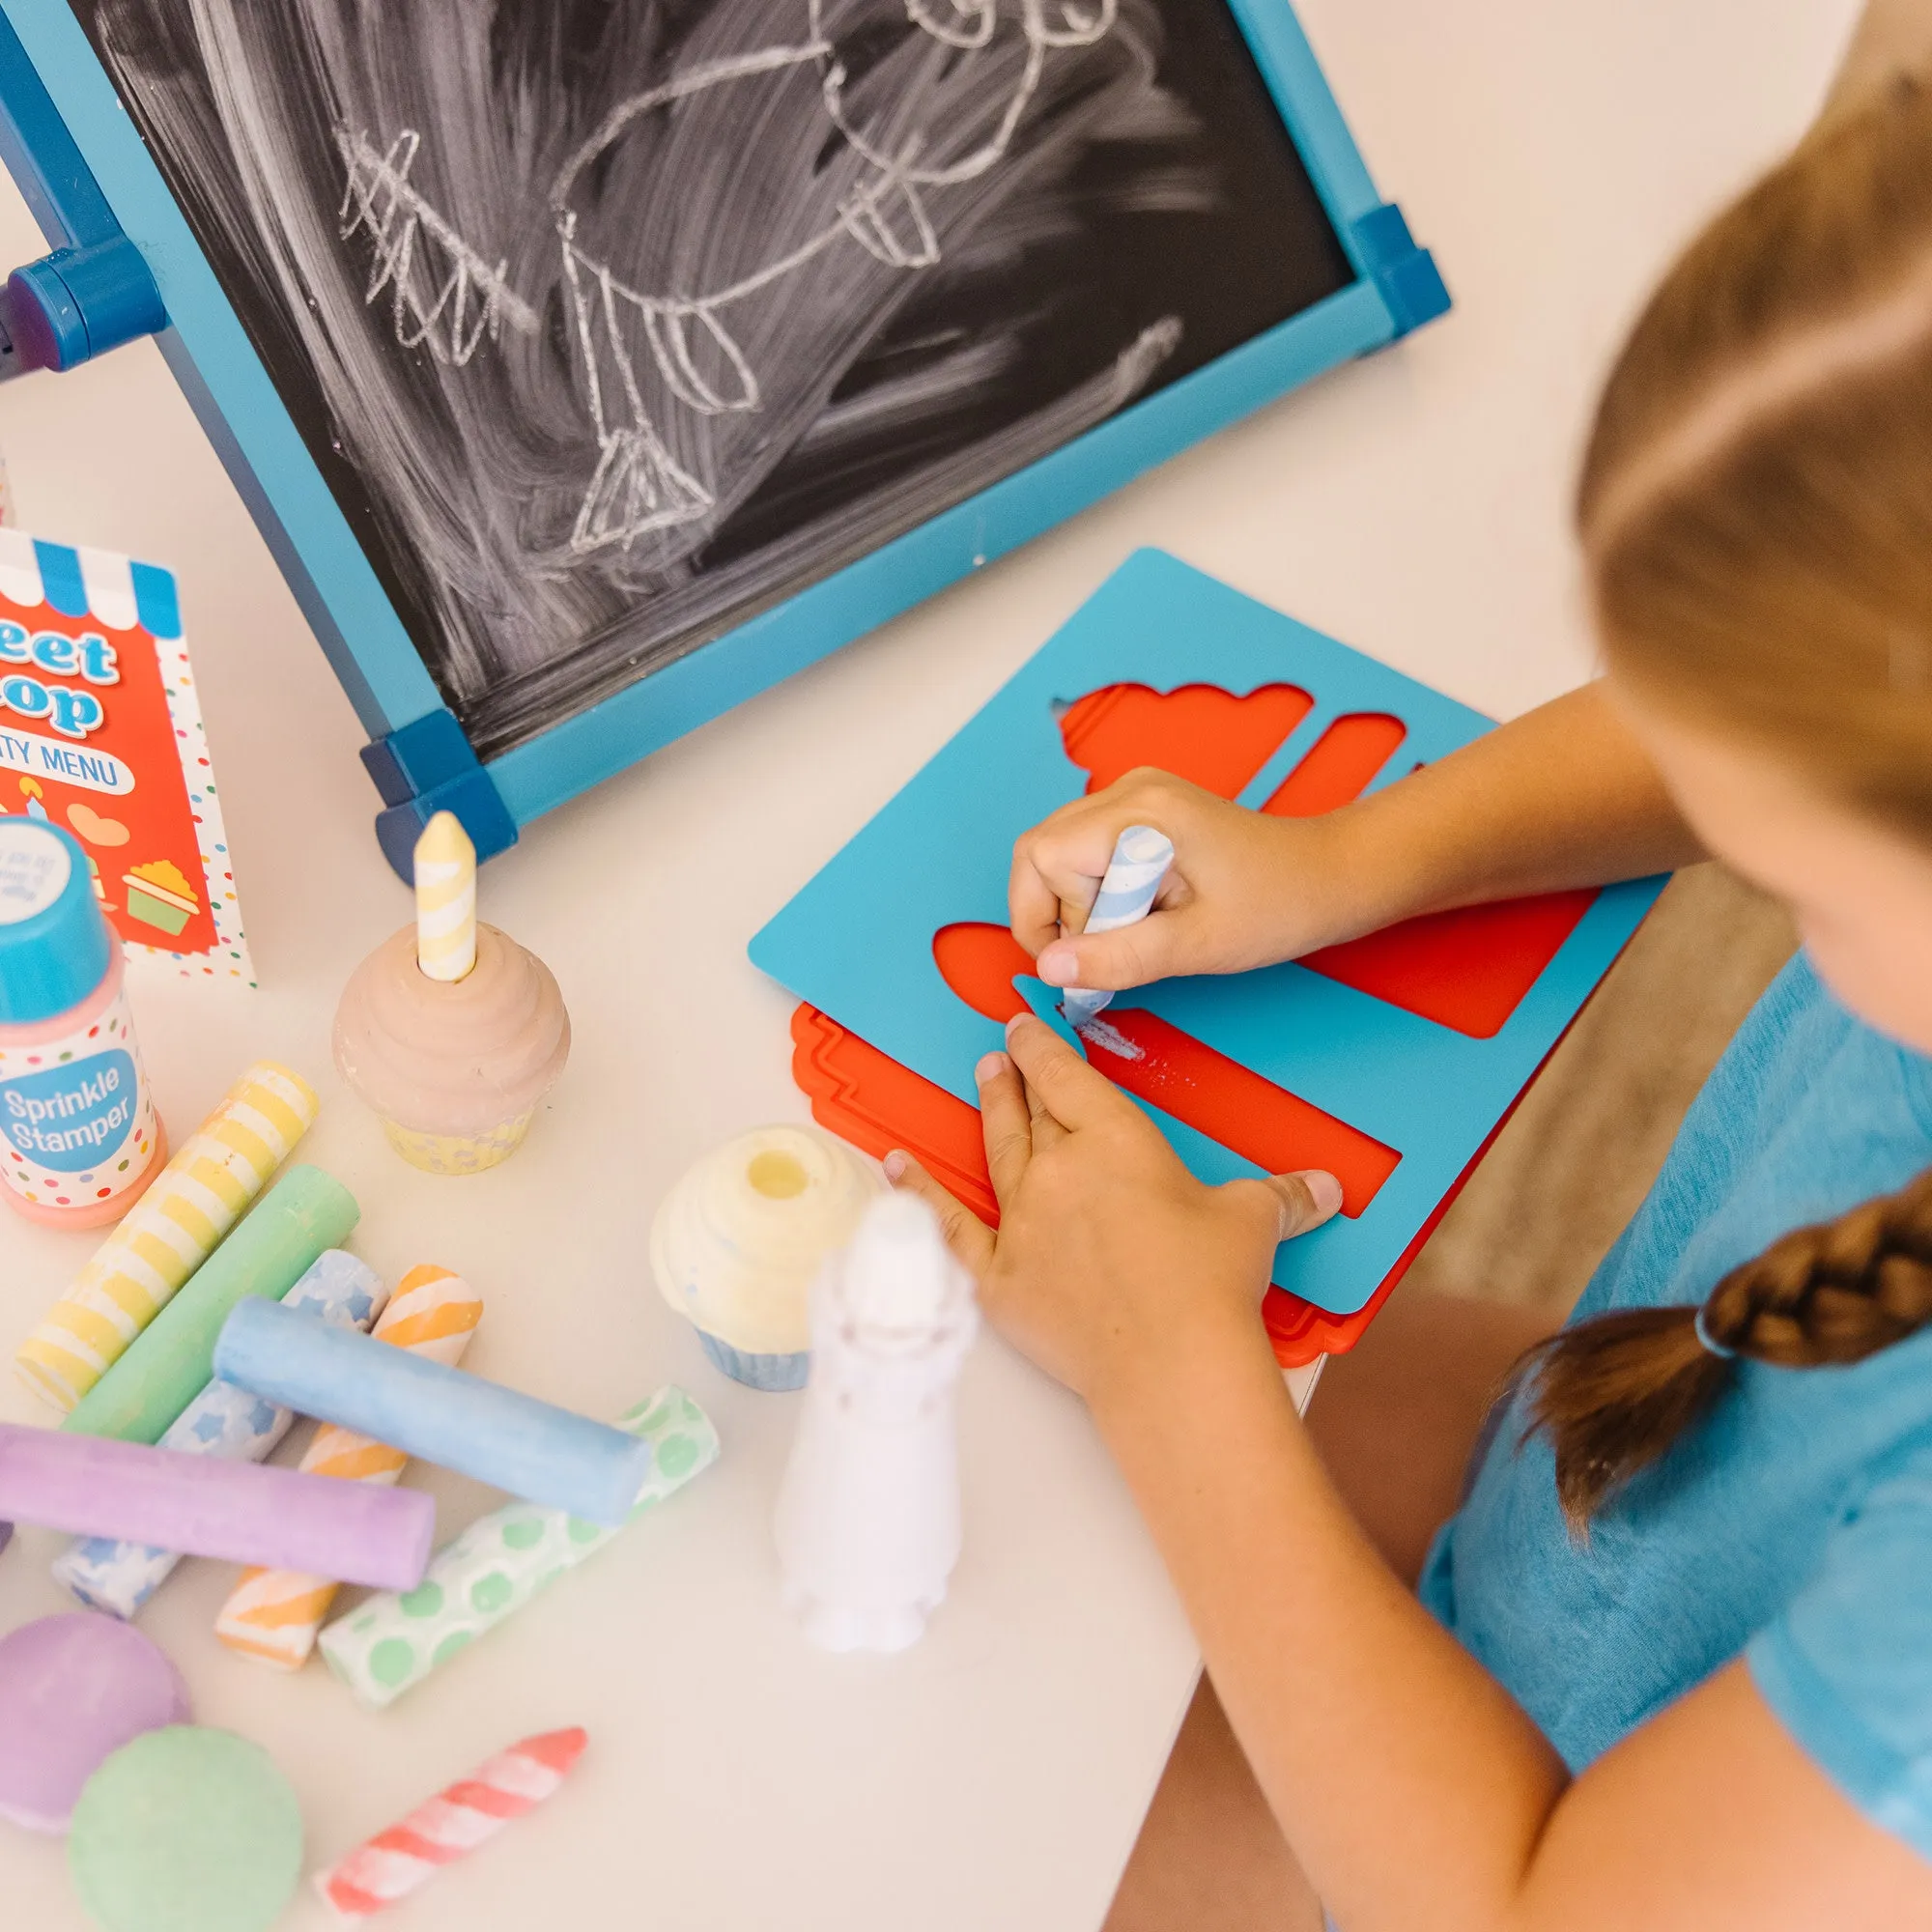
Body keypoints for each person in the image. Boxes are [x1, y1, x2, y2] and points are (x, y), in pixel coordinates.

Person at [885, 14, 1932, 1929]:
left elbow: (1530, 1904)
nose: (1716, 820)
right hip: (1625, 1502)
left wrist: (1165, 1366)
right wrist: (1355, 853)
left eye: (1766, 843)